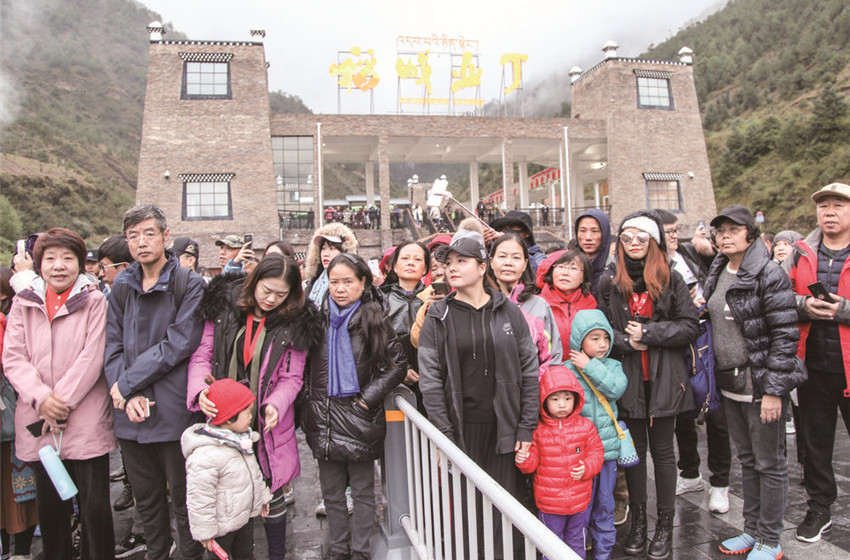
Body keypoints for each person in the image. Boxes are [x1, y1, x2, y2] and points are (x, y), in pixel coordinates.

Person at [187, 253, 322, 559]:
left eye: (281, 294)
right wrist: (200, 391)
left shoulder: (298, 320)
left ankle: (277, 554)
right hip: (223, 414)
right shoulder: (224, 304)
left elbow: (292, 377)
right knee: (229, 490)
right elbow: (202, 355)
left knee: (270, 489)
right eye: (266, 290)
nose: (272, 299)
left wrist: (275, 405)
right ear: (254, 280)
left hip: (265, 418)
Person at [418, 229, 539, 558]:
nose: (452, 268)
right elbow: (430, 379)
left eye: (461, 261)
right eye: (448, 263)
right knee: (466, 510)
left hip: (504, 426)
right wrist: (443, 434)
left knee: (505, 509)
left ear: (482, 267)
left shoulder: (508, 311)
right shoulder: (438, 315)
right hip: (462, 427)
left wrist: (526, 426)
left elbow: (529, 369)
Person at [2, 228, 116, 559]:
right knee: (51, 510)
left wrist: (59, 402)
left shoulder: (94, 300)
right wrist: (41, 398)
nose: (59, 265)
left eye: (68, 258)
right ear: (39, 265)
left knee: (95, 509)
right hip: (39, 419)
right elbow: (13, 357)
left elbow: (92, 357)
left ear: (80, 263)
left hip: (85, 418)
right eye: (50, 258)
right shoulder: (24, 302)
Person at [104, 205, 207, 560]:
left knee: (184, 499)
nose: (141, 242)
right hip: (131, 415)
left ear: (165, 236)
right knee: (146, 501)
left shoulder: (188, 283)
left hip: (173, 411)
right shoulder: (122, 284)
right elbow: (112, 344)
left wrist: (127, 384)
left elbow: (178, 343)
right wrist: (125, 391)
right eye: (133, 236)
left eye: (149, 234)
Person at [596, 210, 699, 560]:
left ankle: (664, 526)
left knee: (665, 453)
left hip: (666, 378)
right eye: (627, 238)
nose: (634, 244)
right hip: (628, 378)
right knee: (634, 453)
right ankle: (639, 521)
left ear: (654, 242)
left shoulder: (672, 279)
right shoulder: (610, 283)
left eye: (641, 238)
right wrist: (628, 342)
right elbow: (602, 330)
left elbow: (690, 325)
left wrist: (650, 333)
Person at [702, 206, 802, 560]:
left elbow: (785, 335)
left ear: (751, 233)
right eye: (720, 231)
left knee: (769, 463)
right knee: (747, 459)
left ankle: (770, 539)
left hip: (760, 385)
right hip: (729, 383)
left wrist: (774, 391)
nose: (725, 236)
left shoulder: (768, 273)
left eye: (733, 229)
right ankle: (753, 530)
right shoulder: (719, 268)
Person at [302, 253, 407, 560]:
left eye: (348, 282)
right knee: (332, 494)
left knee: (362, 492)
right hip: (323, 417)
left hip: (359, 419)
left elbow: (397, 364)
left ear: (363, 282)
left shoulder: (373, 318)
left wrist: (366, 400)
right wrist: (307, 404)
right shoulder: (316, 318)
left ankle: (361, 550)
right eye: (334, 281)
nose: (340, 289)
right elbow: (303, 366)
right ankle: (337, 549)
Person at [784, 183, 850, 544]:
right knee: (815, 443)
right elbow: (780, 295)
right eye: (824, 205)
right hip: (812, 366)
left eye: (838, 204)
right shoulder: (801, 253)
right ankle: (820, 507)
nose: (830, 211)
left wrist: (843, 310)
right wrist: (804, 306)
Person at [654, 208, 732, 514]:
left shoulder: (690, 253)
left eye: (676, 230)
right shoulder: (650, 265)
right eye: (668, 232)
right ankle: (689, 473)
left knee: (716, 414)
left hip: (706, 339)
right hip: (677, 343)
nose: (674, 237)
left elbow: (720, 277)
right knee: (683, 413)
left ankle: (721, 482)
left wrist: (709, 253)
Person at [515, 365, 604, 560]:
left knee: (576, 542)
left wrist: (587, 467)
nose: (562, 404)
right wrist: (524, 459)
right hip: (549, 504)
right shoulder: (538, 430)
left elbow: (597, 453)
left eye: (567, 398)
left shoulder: (585, 426)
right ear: (544, 401)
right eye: (555, 399)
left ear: (576, 399)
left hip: (579, 502)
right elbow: (531, 465)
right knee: (550, 544)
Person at [183, 379, 272, 560]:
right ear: (229, 417)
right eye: (246, 413)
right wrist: (205, 531)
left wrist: (262, 497)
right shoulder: (205, 455)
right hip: (221, 527)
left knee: (246, 554)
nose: (251, 417)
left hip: (244, 517)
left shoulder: (241, 439)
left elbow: (254, 471)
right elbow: (199, 498)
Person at [567, 309, 627, 560]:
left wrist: (590, 366)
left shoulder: (613, 366)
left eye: (606, 338)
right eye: (595, 338)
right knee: (581, 508)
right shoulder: (567, 369)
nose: (602, 344)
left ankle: (603, 553)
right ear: (579, 340)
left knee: (605, 505)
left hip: (607, 453)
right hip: (578, 455)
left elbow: (616, 389)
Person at [0, 266, 38, 560]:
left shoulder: (10, 321)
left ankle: (20, 552)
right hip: (13, 421)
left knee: (17, 491)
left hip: (15, 421)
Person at [488, 234, 563, 373]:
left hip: (532, 383)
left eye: (516, 257)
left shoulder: (539, 306)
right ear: (491, 262)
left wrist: (535, 383)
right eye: (502, 256)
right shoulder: (480, 303)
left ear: (525, 264)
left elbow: (552, 358)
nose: (508, 263)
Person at [380, 242, 430, 408]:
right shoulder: (382, 300)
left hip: (430, 379)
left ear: (425, 268)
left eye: (417, 259)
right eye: (405, 258)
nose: (410, 263)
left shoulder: (433, 298)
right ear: (394, 266)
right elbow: (378, 342)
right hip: (393, 380)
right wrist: (400, 369)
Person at [536, 249, 597, 353]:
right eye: (560, 267)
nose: (565, 273)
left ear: (583, 277)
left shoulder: (590, 304)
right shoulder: (538, 304)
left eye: (573, 268)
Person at [303, 223, 358, 305]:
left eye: (332, 248)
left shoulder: (353, 284)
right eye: (323, 248)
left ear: (344, 251)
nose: (325, 254)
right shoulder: (313, 282)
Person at [487, 210, 546, 274]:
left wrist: (510, 244)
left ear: (527, 233)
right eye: (503, 229)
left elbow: (536, 273)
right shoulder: (494, 250)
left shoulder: (538, 258)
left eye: (511, 228)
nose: (506, 232)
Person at [574, 209, 613, 296]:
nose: (588, 237)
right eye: (582, 231)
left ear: (605, 234)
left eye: (595, 231)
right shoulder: (567, 267)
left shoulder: (616, 269)